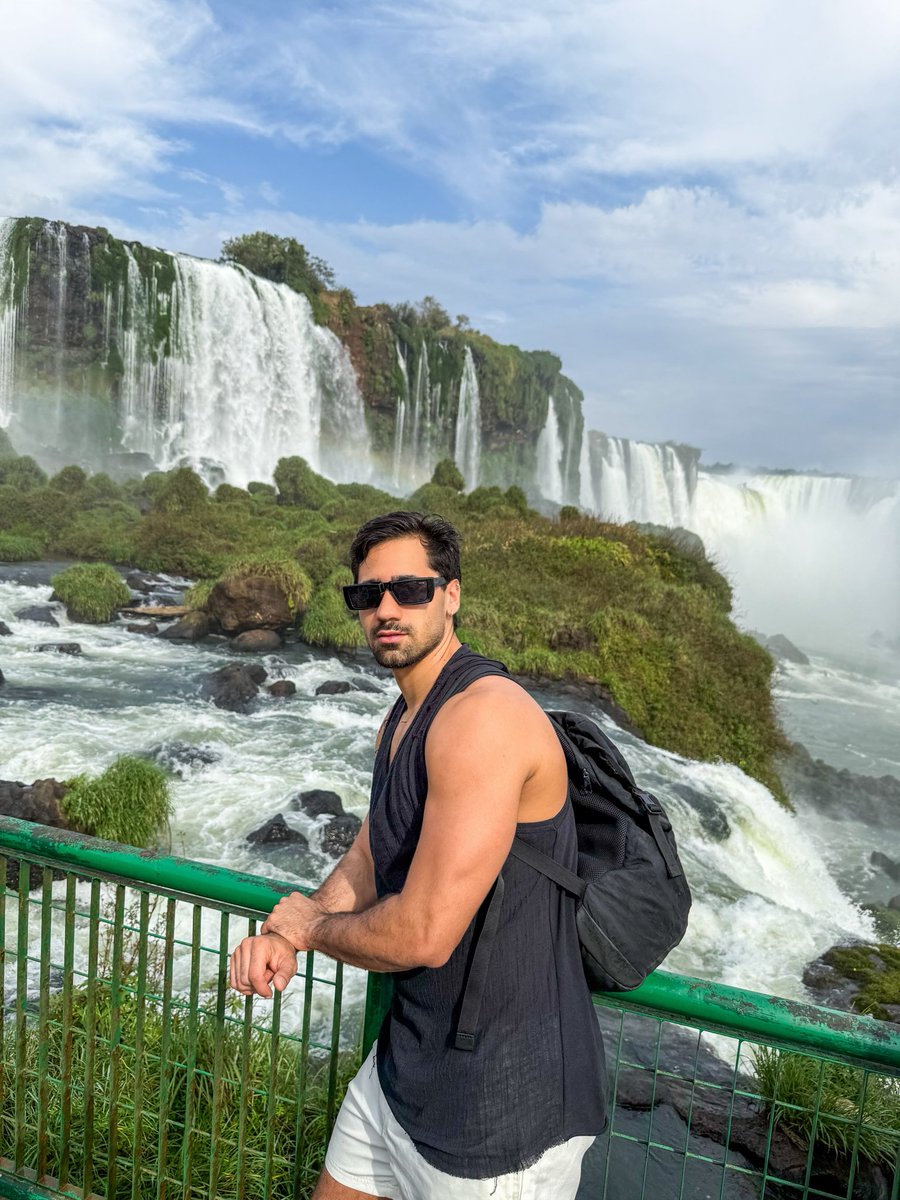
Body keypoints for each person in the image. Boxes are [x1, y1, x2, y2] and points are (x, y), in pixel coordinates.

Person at [230, 511, 607, 1199]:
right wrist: (297, 922)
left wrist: (311, 932)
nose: (386, 609)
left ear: (451, 594)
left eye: (409, 588)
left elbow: (424, 933)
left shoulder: (482, 718)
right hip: (405, 1071)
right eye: (367, 595)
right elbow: (374, 856)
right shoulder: (402, 717)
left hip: (502, 1111)